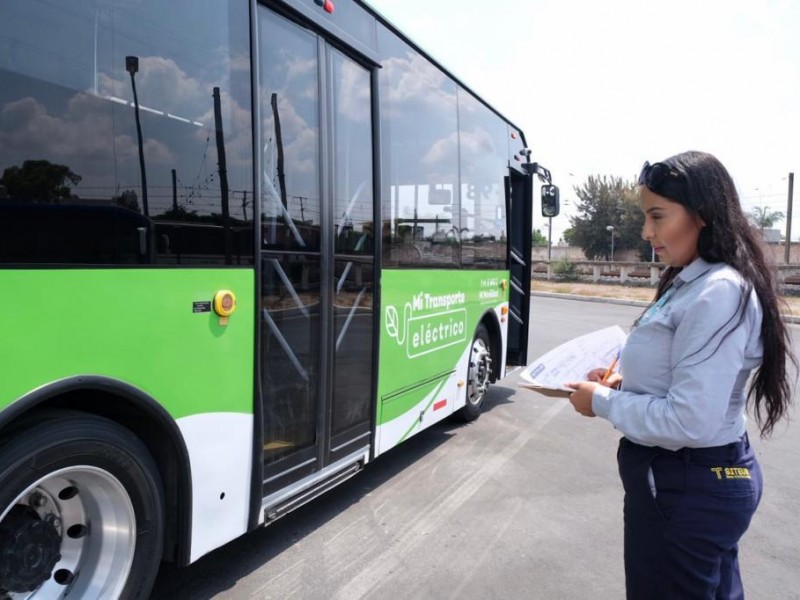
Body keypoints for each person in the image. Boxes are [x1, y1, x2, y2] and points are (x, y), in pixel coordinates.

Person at [565, 150, 796, 600]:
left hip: (685, 489)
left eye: (657, 216)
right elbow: (682, 380)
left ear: (703, 215)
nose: (646, 232)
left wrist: (601, 401)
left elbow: (689, 420)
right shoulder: (691, 280)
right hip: (690, 487)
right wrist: (622, 385)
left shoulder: (718, 293)